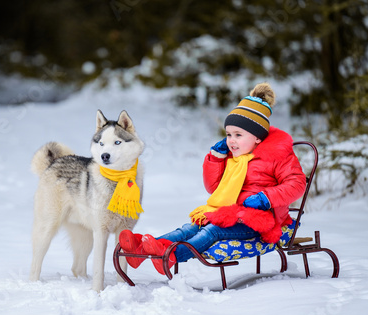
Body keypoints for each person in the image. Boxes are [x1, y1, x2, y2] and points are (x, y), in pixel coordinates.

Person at [119, 82, 307, 274]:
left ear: (257, 137)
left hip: (259, 221)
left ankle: (172, 255)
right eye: (228, 134)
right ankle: (141, 249)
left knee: (212, 231)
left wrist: (266, 197)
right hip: (228, 213)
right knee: (189, 229)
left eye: (238, 135)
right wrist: (215, 159)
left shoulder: (278, 155)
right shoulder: (233, 159)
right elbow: (214, 189)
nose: (231, 140)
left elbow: (297, 183)